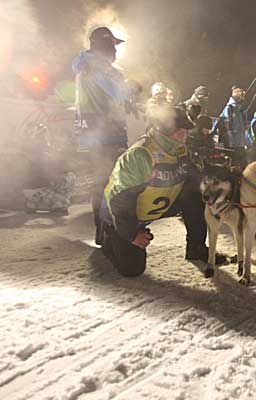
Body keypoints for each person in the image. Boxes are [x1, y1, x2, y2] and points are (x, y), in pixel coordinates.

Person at [101, 105, 227, 278]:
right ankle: (108, 235)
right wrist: (132, 234)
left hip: (155, 204)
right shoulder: (141, 154)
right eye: (181, 130)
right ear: (165, 130)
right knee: (132, 269)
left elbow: (193, 177)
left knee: (196, 196)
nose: (186, 134)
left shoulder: (179, 148)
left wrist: (217, 189)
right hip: (122, 213)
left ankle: (196, 248)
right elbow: (121, 200)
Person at [72, 26, 137, 245]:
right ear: (105, 46)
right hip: (108, 135)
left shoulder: (84, 67)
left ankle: (102, 232)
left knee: (100, 184)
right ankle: (112, 234)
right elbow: (118, 92)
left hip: (91, 136)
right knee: (114, 184)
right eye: (113, 46)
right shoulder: (100, 67)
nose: (116, 52)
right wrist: (133, 89)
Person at [211, 86, 248, 168]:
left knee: (242, 163)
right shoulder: (229, 108)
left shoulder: (241, 109)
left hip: (240, 142)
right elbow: (221, 121)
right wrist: (212, 134)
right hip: (232, 142)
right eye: (242, 96)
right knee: (233, 163)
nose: (243, 98)